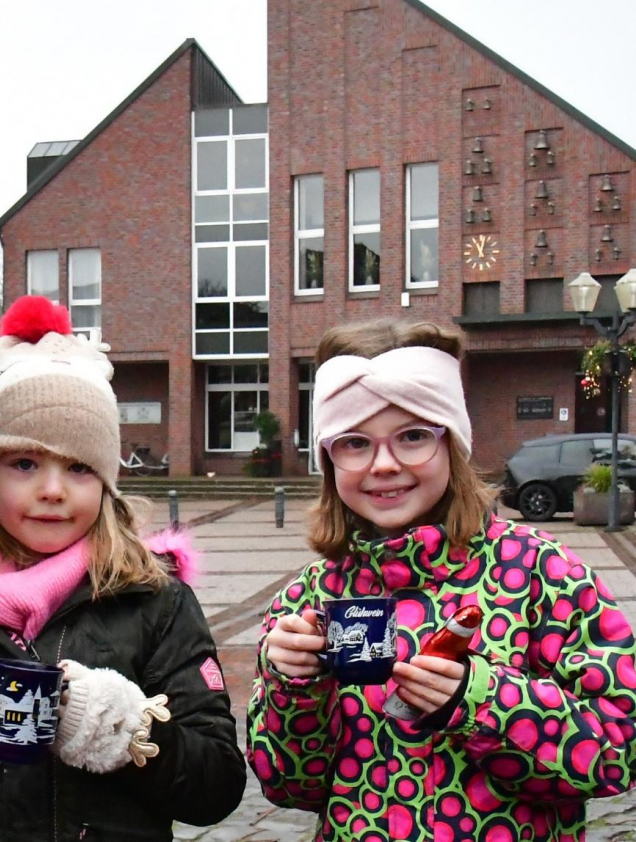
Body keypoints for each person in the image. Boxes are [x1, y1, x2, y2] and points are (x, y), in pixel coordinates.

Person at [0, 296, 247, 841]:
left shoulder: (154, 600)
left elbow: (217, 785)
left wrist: (121, 728)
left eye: (80, 467)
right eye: (25, 463)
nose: (53, 490)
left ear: (106, 483)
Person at [246, 318, 636, 841]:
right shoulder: (309, 598)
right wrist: (292, 690)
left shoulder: (546, 575)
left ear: (452, 444)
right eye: (355, 443)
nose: (383, 465)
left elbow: (618, 751)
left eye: (412, 437)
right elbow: (289, 787)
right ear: (328, 459)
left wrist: (480, 702)